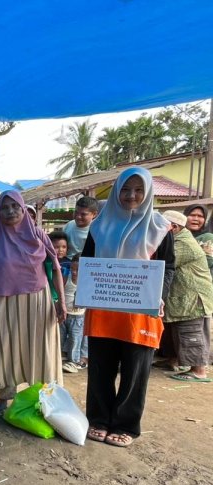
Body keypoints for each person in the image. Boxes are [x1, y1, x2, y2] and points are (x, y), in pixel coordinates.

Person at [83, 167, 174, 448]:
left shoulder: (160, 227)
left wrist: (159, 296)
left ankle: (125, 425)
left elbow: (168, 268)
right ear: (116, 191)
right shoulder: (99, 226)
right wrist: (80, 272)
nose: (131, 195)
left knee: (136, 369)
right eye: (125, 189)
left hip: (140, 311)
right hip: (103, 309)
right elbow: (88, 261)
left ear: (147, 193)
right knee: (100, 366)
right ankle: (98, 420)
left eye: (138, 190)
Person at [0, 190, 66, 416]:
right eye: (4, 208)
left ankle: (43, 400)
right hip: (3, 304)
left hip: (39, 302)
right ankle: (3, 399)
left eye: (14, 206)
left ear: (23, 208)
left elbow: (55, 269)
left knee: (40, 349)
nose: (10, 212)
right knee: (5, 349)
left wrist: (61, 302)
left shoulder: (38, 235)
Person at [160, 210, 213, 382]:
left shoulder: (183, 244)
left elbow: (165, 262)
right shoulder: (178, 239)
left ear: (173, 227)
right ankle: (175, 361)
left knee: (191, 332)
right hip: (184, 297)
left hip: (193, 297)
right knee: (178, 331)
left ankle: (198, 370)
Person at [61, 256, 87, 374]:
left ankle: (74, 362)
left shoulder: (86, 282)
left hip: (78, 317)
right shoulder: (66, 278)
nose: (74, 272)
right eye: (72, 269)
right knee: (60, 337)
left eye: (78, 270)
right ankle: (59, 357)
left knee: (75, 339)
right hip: (64, 315)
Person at [183, 204, 213, 279]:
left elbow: (206, 264)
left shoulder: (207, 238)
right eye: (192, 215)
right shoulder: (176, 236)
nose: (196, 219)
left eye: (200, 216)